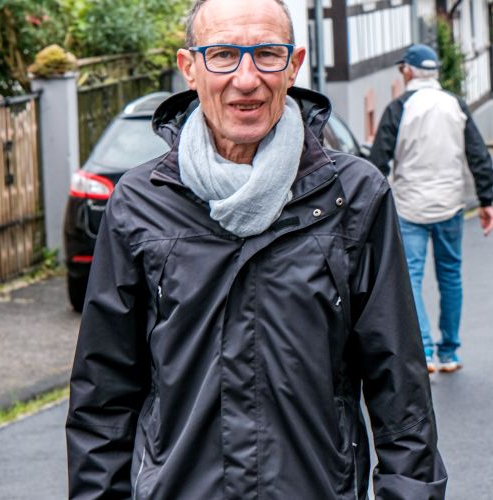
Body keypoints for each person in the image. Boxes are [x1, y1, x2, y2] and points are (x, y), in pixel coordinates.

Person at [66, 2, 447, 498]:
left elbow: (401, 394)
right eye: (223, 55)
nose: (246, 79)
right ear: (189, 68)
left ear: (294, 65)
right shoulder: (140, 203)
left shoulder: (354, 196)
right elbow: (103, 397)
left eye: (267, 54)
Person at [369, 44, 493, 374]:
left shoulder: (398, 108)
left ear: (408, 71)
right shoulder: (455, 105)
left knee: (409, 277)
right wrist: (487, 200)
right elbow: (478, 155)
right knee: (450, 275)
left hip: (410, 206)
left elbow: (378, 161)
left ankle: (423, 349)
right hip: (450, 203)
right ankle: (449, 351)